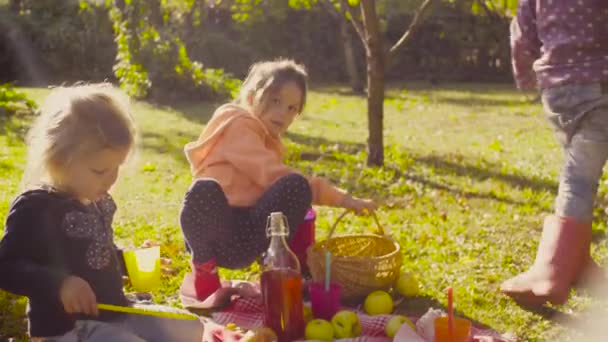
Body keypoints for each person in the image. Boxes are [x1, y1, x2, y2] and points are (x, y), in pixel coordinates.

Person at [0, 84, 204, 341]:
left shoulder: (95, 199)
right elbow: (6, 266)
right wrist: (60, 283)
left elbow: (95, 251)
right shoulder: (35, 207)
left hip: (115, 311)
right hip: (69, 328)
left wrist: (128, 261)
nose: (110, 180)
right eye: (99, 171)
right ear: (59, 160)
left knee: (191, 327)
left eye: (116, 167)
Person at [180, 59, 377, 306]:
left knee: (294, 187)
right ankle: (204, 272)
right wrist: (342, 198)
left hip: (247, 234)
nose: (283, 113)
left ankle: (277, 266)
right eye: (275, 101)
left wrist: (346, 199)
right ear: (252, 98)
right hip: (215, 232)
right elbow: (270, 173)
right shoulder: (237, 125)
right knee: (204, 190)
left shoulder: (268, 141)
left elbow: (284, 184)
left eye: (292, 108)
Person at [501, 0, 608, 306]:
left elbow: (522, 33)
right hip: (599, 85)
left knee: (578, 172)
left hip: (557, 91)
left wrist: (526, 77)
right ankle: (553, 271)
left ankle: (578, 263)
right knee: (580, 179)